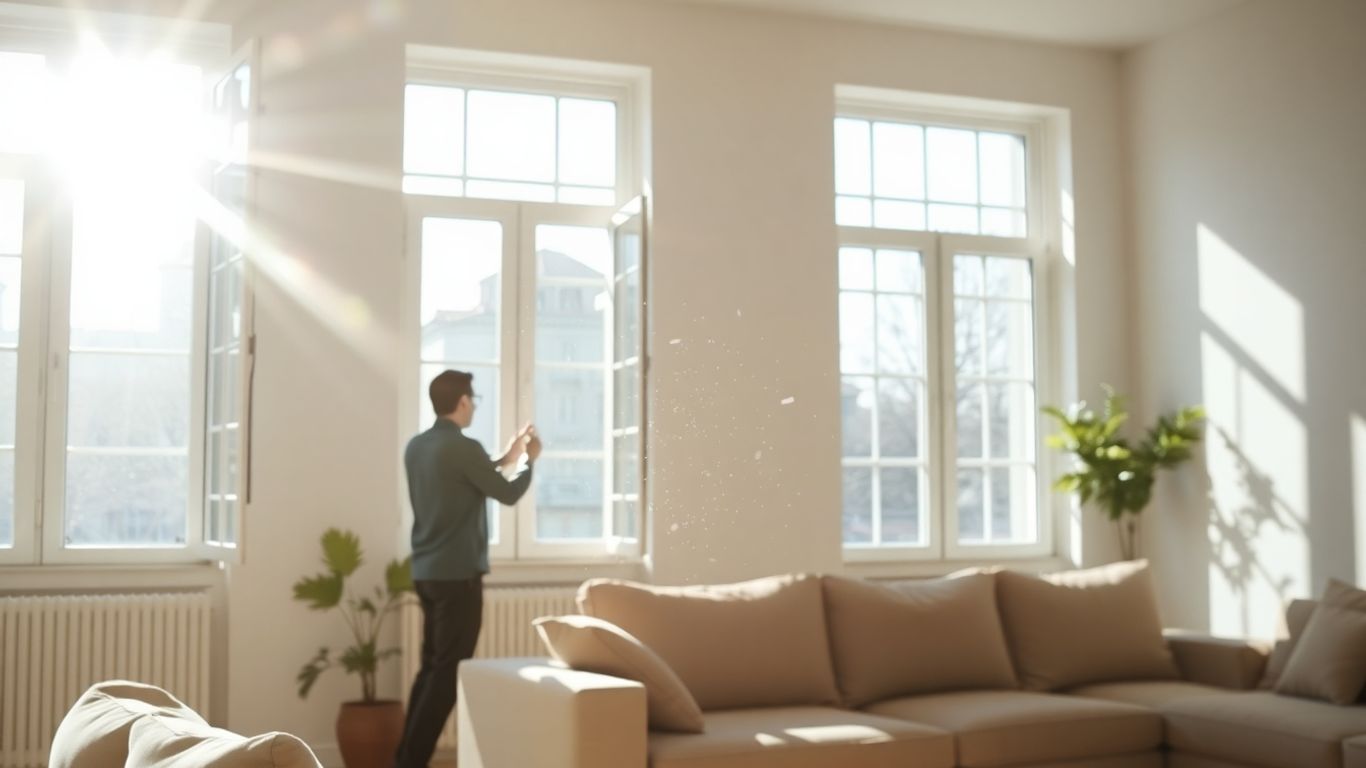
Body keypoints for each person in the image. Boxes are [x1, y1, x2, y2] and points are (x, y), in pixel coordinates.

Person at [394, 369, 541, 768]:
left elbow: (466, 478)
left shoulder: (417, 447)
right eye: (473, 398)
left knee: (430, 673)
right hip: (458, 576)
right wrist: (528, 463)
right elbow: (507, 493)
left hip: (427, 573)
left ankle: (405, 759)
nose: (474, 404)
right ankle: (410, 764)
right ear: (461, 402)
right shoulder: (464, 447)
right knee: (445, 679)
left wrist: (506, 457)